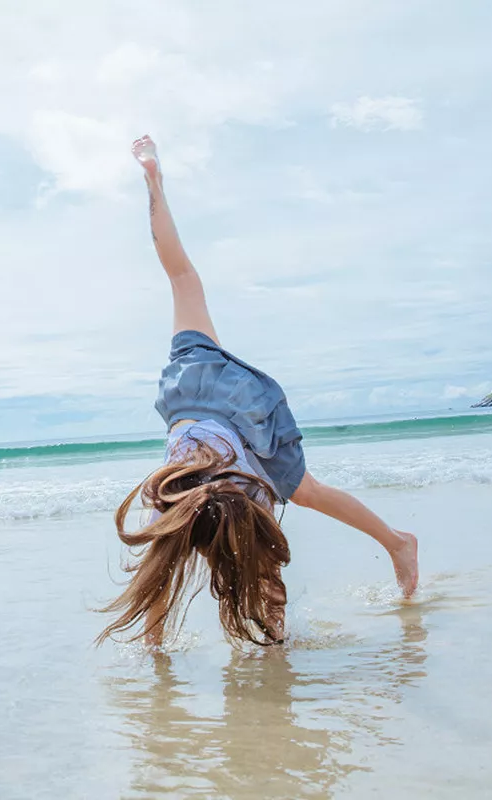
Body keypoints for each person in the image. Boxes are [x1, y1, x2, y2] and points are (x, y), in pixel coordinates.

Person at [97, 135, 419, 649]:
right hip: (202, 388)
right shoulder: (176, 501)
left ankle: (400, 543)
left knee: (303, 495)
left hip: (227, 404)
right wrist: (153, 183)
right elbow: (174, 579)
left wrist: (157, 661)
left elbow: (159, 584)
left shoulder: (183, 504)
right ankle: (398, 542)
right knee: (182, 279)